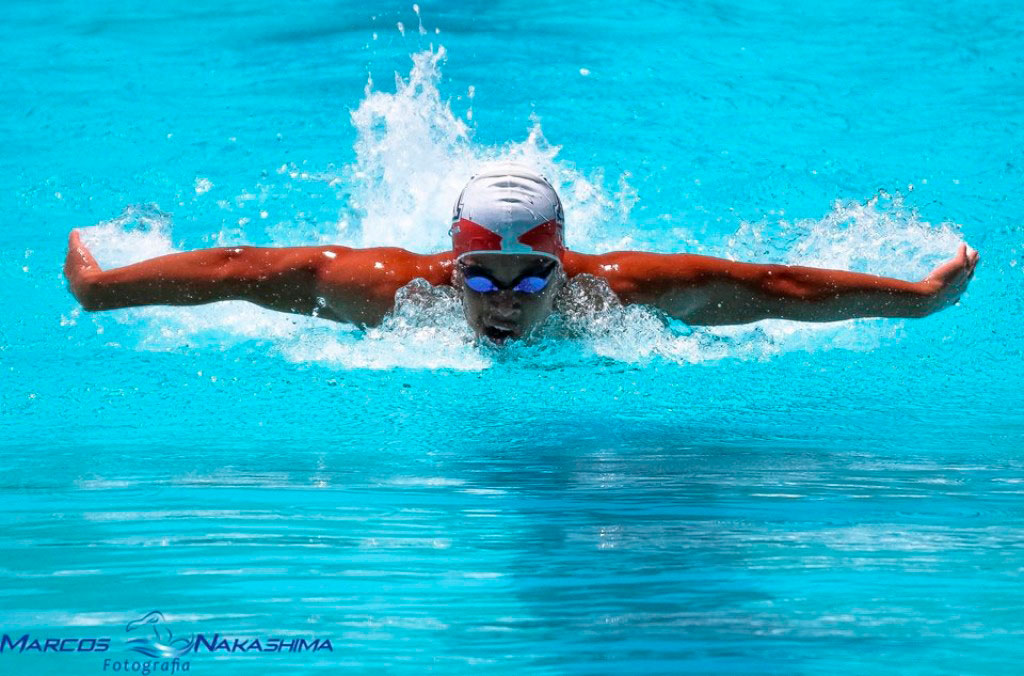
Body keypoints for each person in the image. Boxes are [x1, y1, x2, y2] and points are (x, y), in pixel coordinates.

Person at [64, 164, 979, 343]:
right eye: (483, 276)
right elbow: (236, 270)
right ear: (448, 264)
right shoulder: (389, 294)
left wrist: (918, 296)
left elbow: (773, 286)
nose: (507, 298)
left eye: (533, 274)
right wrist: (102, 291)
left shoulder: (616, 297)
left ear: (565, 266)